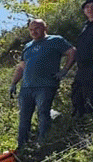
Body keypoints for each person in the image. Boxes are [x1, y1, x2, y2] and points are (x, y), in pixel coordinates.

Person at [9, 19, 76, 149]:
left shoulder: (55, 40)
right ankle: (22, 147)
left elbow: (72, 52)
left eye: (37, 28)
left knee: (43, 113)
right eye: (31, 29)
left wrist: (64, 71)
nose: (34, 31)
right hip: (27, 87)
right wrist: (13, 83)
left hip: (45, 85)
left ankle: (43, 144)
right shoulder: (28, 46)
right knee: (24, 118)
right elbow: (21, 67)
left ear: (45, 28)